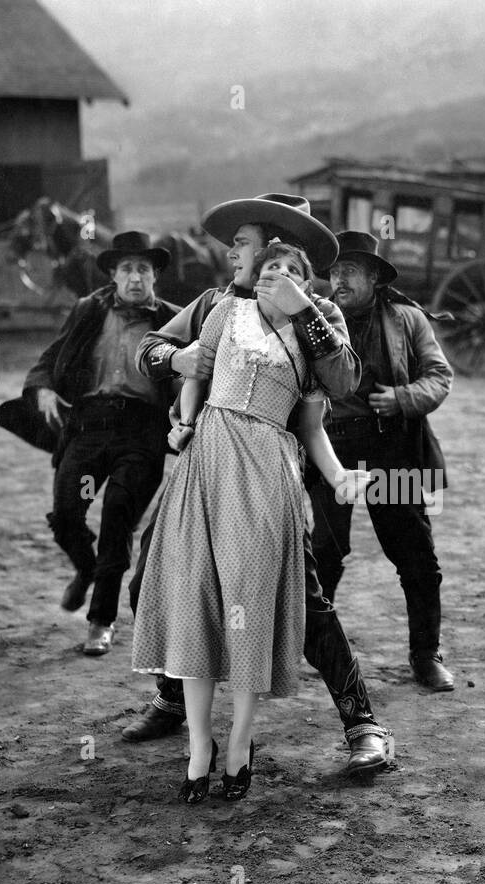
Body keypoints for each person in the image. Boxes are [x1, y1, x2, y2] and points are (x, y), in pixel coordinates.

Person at [123, 193, 393, 775]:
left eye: (242, 244)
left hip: (278, 471)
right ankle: (174, 699)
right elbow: (146, 348)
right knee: (159, 573)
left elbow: (343, 380)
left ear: (277, 251)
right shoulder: (214, 304)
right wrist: (176, 362)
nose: (233, 254)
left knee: (305, 600)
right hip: (207, 467)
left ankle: (362, 721)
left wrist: (301, 311)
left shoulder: (319, 310)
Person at [11, 232, 178, 656]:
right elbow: (48, 362)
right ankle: (85, 571)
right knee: (68, 511)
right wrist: (44, 390)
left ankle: (100, 620)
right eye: (126, 269)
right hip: (88, 428)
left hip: (142, 434)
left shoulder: (174, 321)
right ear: (113, 275)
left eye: (143, 269)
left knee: (118, 520)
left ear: (155, 275)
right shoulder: (89, 310)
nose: (135, 278)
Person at [315, 231, 455, 691]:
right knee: (322, 554)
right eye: (334, 271)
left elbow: (439, 375)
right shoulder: (313, 317)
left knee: (415, 554)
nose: (339, 280)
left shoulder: (407, 319)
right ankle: (319, 649)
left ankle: (425, 655)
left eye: (350, 271)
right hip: (330, 449)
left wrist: (403, 397)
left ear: (374, 277)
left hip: (390, 448)